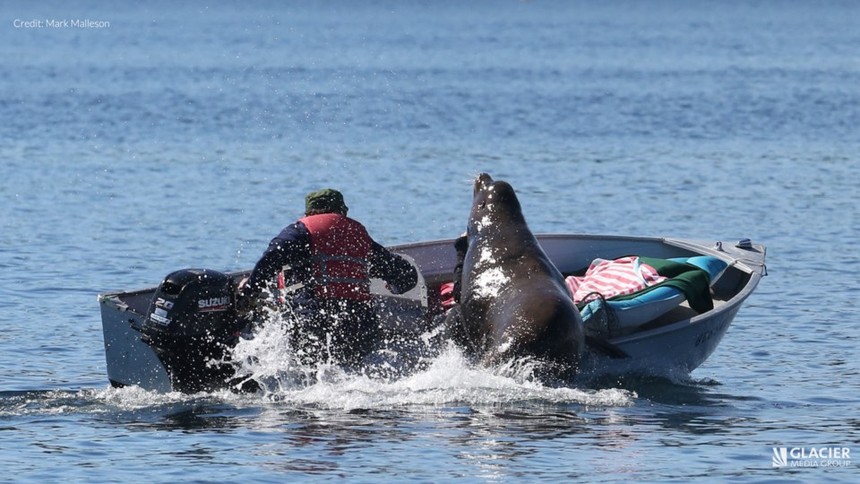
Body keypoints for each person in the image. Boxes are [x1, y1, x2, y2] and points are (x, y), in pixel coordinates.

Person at [237, 188, 418, 367]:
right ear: (343, 211)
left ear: (308, 212)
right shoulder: (359, 235)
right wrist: (393, 286)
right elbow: (407, 276)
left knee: (311, 372)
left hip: (314, 319)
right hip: (360, 324)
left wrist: (249, 292)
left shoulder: (300, 232)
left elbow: (269, 261)